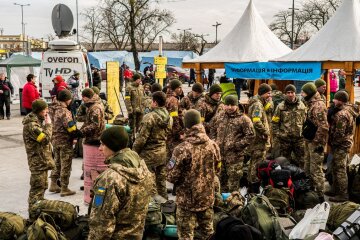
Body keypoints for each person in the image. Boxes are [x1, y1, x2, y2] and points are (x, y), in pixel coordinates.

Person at [88, 126, 153, 239]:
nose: (99, 148)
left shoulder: (109, 179)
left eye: (103, 144)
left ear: (113, 146)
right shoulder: (142, 168)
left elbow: (101, 221)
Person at [167, 109, 221, 240]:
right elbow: (217, 169)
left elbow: (171, 176)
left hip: (186, 202)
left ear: (187, 126)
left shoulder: (181, 149)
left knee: (186, 236)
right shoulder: (213, 145)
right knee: (208, 234)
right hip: (207, 198)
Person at [210, 95, 255, 192]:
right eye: (227, 105)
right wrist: (214, 141)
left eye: (232, 105)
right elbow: (212, 129)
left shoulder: (243, 119)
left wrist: (237, 145)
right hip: (220, 157)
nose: (229, 107)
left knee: (233, 185)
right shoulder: (219, 116)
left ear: (237, 106)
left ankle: (233, 205)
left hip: (235, 158)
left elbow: (251, 136)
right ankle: (222, 204)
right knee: (220, 184)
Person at [133, 91, 173, 199]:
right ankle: (165, 206)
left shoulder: (149, 117)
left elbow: (141, 139)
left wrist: (133, 152)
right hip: (162, 152)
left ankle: (152, 208)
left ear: (155, 103)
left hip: (148, 155)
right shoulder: (169, 118)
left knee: (149, 184)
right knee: (161, 183)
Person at [22, 99, 55, 212]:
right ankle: (33, 214)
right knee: (37, 189)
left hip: (42, 161)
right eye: (45, 109)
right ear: (39, 111)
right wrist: (49, 125)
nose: (47, 111)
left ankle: (38, 210)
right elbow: (45, 139)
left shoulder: (38, 121)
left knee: (42, 187)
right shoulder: (32, 126)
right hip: (37, 163)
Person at [301, 82, 329, 201]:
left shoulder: (318, 106)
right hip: (309, 141)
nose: (302, 94)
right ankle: (310, 192)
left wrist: (316, 142)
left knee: (315, 169)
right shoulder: (311, 103)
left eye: (304, 92)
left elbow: (324, 127)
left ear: (310, 92)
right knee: (307, 167)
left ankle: (320, 195)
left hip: (315, 143)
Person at [326, 91, 356, 202]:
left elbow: (339, 133)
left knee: (340, 169)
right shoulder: (348, 110)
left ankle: (343, 194)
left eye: (335, 99)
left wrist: (332, 142)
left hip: (341, 145)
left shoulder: (342, 115)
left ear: (340, 100)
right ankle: (335, 189)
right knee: (335, 167)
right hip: (345, 143)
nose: (333, 101)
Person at [48, 89, 77, 197]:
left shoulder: (52, 108)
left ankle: (53, 184)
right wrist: (76, 134)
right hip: (64, 140)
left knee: (57, 162)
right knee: (66, 164)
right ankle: (64, 188)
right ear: (66, 99)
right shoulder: (64, 111)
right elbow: (69, 126)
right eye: (70, 99)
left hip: (54, 139)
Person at [272, 84, 307, 167]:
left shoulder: (302, 106)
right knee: (284, 161)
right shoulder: (280, 107)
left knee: (302, 161)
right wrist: (279, 134)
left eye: (292, 92)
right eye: (288, 92)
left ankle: (302, 178)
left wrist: (304, 134)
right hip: (285, 140)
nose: (290, 94)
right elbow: (274, 123)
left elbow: (305, 121)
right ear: (285, 94)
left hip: (299, 139)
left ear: (295, 93)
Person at [247, 83, 272, 193]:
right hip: (259, 139)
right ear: (262, 93)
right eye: (268, 93)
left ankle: (251, 184)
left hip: (258, 138)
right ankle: (254, 186)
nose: (270, 95)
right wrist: (266, 132)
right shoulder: (257, 104)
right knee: (257, 163)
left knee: (253, 162)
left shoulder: (259, 103)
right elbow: (256, 121)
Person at [165, 79, 184, 161]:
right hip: (173, 132)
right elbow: (174, 117)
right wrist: (178, 133)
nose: (181, 89)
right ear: (174, 88)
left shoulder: (167, 97)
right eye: (179, 88)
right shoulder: (173, 100)